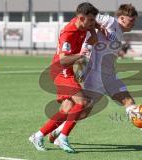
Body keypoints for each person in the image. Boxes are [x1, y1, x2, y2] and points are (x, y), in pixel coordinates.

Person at [48, 4, 142, 153]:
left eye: (134, 21)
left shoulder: (119, 32)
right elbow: (88, 18)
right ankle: (58, 132)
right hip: (95, 75)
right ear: (122, 18)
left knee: (128, 101)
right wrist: (95, 31)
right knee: (84, 110)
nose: (133, 24)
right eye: (131, 21)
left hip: (109, 75)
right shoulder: (110, 21)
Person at [29, 2, 99, 153]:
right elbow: (62, 60)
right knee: (83, 102)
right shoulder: (69, 33)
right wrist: (81, 56)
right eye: (91, 21)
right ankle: (63, 137)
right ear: (81, 18)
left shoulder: (84, 23)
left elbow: (93, 26)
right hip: (60, 70)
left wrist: (93, 33)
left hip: (67, 71)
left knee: (67, 108)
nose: (94, 23)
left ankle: (38, 135)